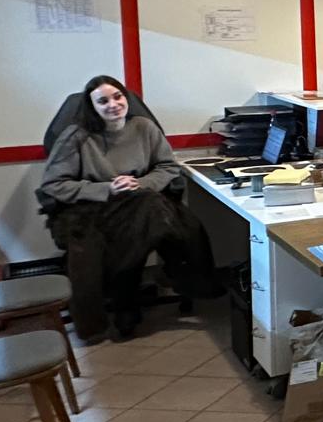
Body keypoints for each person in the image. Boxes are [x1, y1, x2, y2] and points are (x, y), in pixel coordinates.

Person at [38, 75, 216, 343]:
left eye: (118, 97)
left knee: (159, 212)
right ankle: (126, 301)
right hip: (92, 206)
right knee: (152, 220)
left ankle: (127, 301)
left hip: (138, 199)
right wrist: (107, 188)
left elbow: (168, 166)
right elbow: (54, 184)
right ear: (92, 107)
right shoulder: (76, 136)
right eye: (103, 101)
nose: (113, 105)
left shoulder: (144, 127)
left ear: (127, 98)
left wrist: (140, 183)